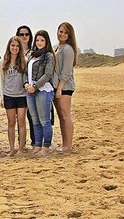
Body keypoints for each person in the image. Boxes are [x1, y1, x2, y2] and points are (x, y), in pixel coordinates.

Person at [25, 30, 56, 157]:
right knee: (35, 120)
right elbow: (25, 72)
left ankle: (46, 146)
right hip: (30, 91)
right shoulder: (31, 55)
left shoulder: (48, 56)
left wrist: (36, 86)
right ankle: (37, 144)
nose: (39, 43)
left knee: (45, 120)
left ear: (46, 41)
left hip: (42, 90)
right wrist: (26, 84)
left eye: (42, 40)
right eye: (37, 40)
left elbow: (48, 74)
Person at [0, 37, 28, 156]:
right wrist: (2, 97)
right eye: (13, 46)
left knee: (21, 121)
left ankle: (21, 148)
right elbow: (2, 80)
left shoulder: (24, 61)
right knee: (11, 122)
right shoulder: (3, 62)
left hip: (22, 95)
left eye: (17, 46)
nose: (15, 48)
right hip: (8, 95)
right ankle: (12, 148)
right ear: (9, 47)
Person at [54, 22, 77, 153]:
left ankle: (68, 145)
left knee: (66, 115)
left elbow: (67, 71)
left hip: (65, 87)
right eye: (60, 31)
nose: (62, 34)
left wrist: (59, 88)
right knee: (60, 115)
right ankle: (64, 143)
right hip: (57, 86)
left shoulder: (68, 49)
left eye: (65, 32)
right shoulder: (56, 47)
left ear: (69, 35)